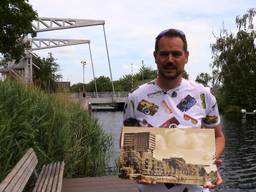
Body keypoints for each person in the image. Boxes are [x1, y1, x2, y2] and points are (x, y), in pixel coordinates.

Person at [123, 28, 225, 192]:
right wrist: (136, 166)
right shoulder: (135, 97)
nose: (170, 59)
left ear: (186, 56)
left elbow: (218, 137)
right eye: (164, 54)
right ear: (155, 56)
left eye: (176, 54)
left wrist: (211, 159)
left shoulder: (204, 95)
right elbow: (131, 144)